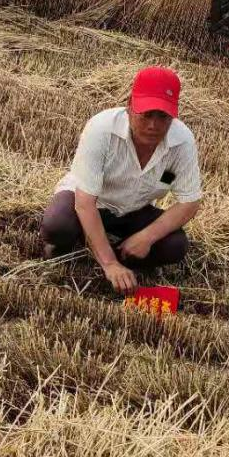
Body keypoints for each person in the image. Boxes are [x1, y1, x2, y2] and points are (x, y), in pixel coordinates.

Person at [41, 66, 202, 295]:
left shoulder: (182, 141)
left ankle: (123, 254)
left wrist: (146, 237)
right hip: (94, 201)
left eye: (163, 117)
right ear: (129, 105)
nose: (153, 125)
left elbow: (189, 201)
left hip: (135, 208)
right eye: (146, 114)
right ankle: (77, 249)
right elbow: (85, 202)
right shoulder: (101, 129)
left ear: (174, 114)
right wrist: (109, 264)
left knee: (175, 246)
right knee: (58, 225)